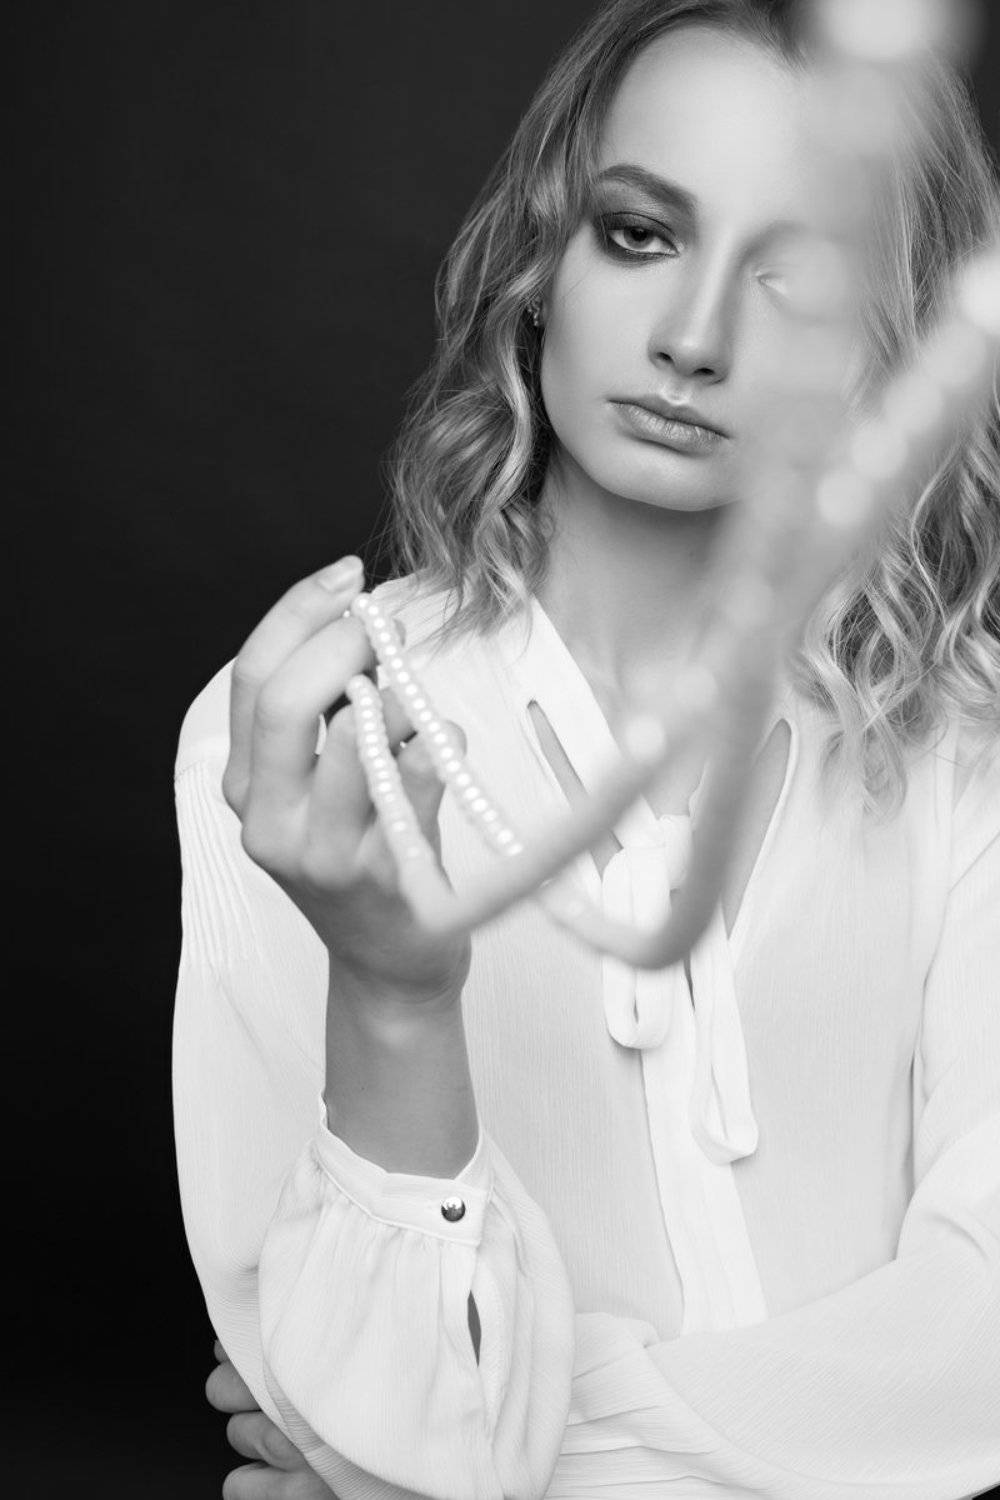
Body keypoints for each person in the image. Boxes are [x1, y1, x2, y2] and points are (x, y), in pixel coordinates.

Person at [173, 1, 1000, 1496]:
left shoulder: (966, 744)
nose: (695, 337)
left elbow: (985, 1348)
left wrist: (514, 1457)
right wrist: (396, 997)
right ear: (542, 258)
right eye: (640, 234)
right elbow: (362, 1409)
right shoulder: (308, 733)